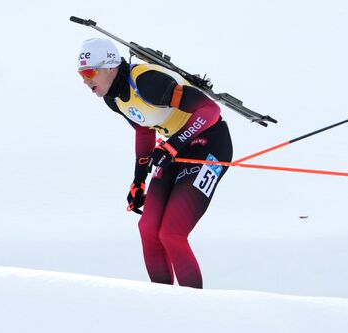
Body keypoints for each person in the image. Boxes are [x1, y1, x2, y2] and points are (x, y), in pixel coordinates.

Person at [77, 38, 233, 289]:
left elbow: (210, 110)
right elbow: (144, 131)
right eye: (81, 74)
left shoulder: (146, 82)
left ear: (109, 67)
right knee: (148, 228)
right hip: (176, 147)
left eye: (89, 72)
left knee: (172, 233)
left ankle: (197, 313)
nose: (85, 80)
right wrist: (138, 181)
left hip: (210, 143)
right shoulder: (113, 98)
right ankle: (161, 308)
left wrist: (171, 147)